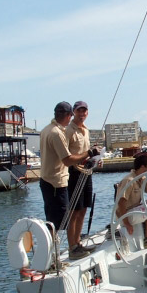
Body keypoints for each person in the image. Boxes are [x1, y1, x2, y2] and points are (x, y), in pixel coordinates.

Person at [39, 102, 94, 259]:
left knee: (57, 221)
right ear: (70, 115)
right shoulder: (57, 133)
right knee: (60, 222)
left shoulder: (46, 130)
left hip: (50, 180)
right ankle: (57, 256)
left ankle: (59, 253)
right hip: (56, 181)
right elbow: (68, 160)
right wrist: (88, 154)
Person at [65, 101, 101, 260]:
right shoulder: (68, 130)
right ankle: (72, 247)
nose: (82, 113)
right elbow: (66, 155)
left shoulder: (85, 130)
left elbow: (86, 152)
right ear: (73, 112)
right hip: (74, 173)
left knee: (84, 208)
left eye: (84, 111)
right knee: (73, 211)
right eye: (79, 111)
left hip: (87, 172)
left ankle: (78, 243)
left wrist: (95, 157)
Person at [115, 153, 147, 248]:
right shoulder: (129, 180)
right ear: (142, 167)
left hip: (133, 211)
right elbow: (121, 203)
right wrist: (127, 224)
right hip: (125, 215)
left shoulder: (142, 178)